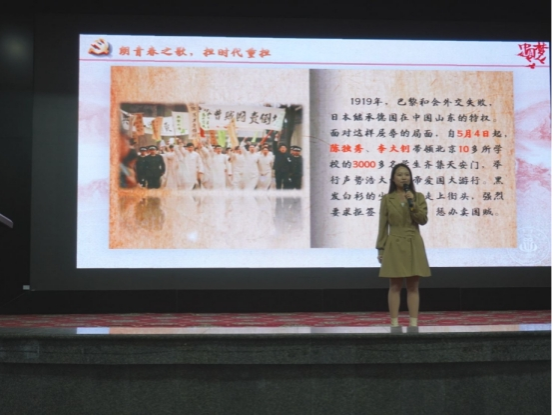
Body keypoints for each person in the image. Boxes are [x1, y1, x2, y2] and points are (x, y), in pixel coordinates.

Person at [375, 163, 430, 328]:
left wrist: (412, 203)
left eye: (406, 174)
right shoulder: (387, 199)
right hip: (394, 242)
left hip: (413, 241)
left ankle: (413, 324)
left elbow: (423, 220)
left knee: (413, 286)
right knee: (395, 285)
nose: (404, 177)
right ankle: (394, 323)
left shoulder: (418, 197)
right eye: (399, 174)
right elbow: (383, 225)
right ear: (393, 179)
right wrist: (381, 248)